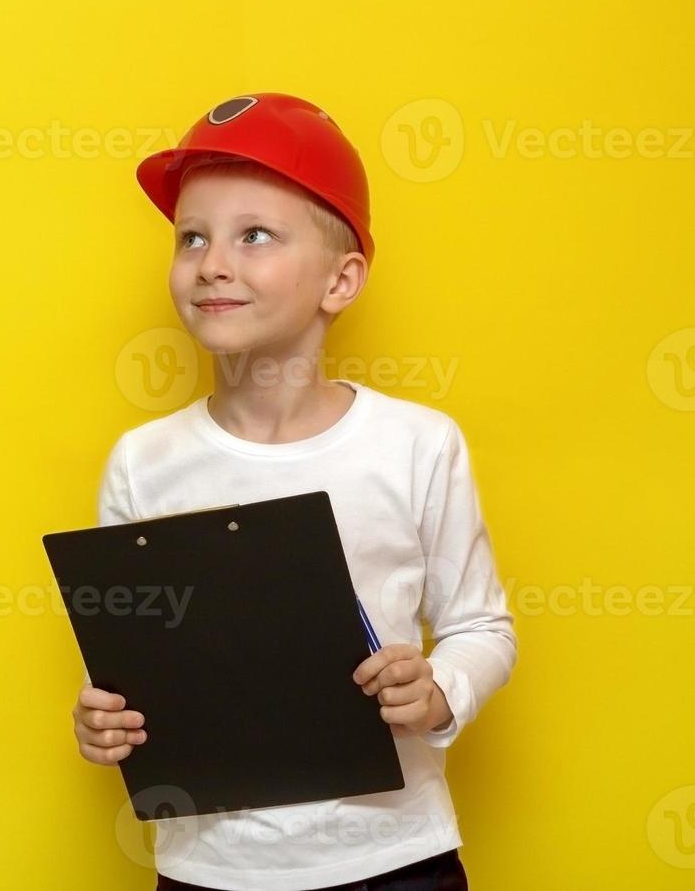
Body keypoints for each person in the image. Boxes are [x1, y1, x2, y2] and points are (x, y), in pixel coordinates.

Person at [70, 93, 516, 891]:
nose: (211, 262)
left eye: (255, 236)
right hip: (211, 871)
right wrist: (105, 719)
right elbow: (133, 663)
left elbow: (482, 625)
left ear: (340, 280)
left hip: (394, 860)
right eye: (191, 237)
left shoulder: (416, 446)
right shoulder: (143, 463)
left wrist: (439, 692)